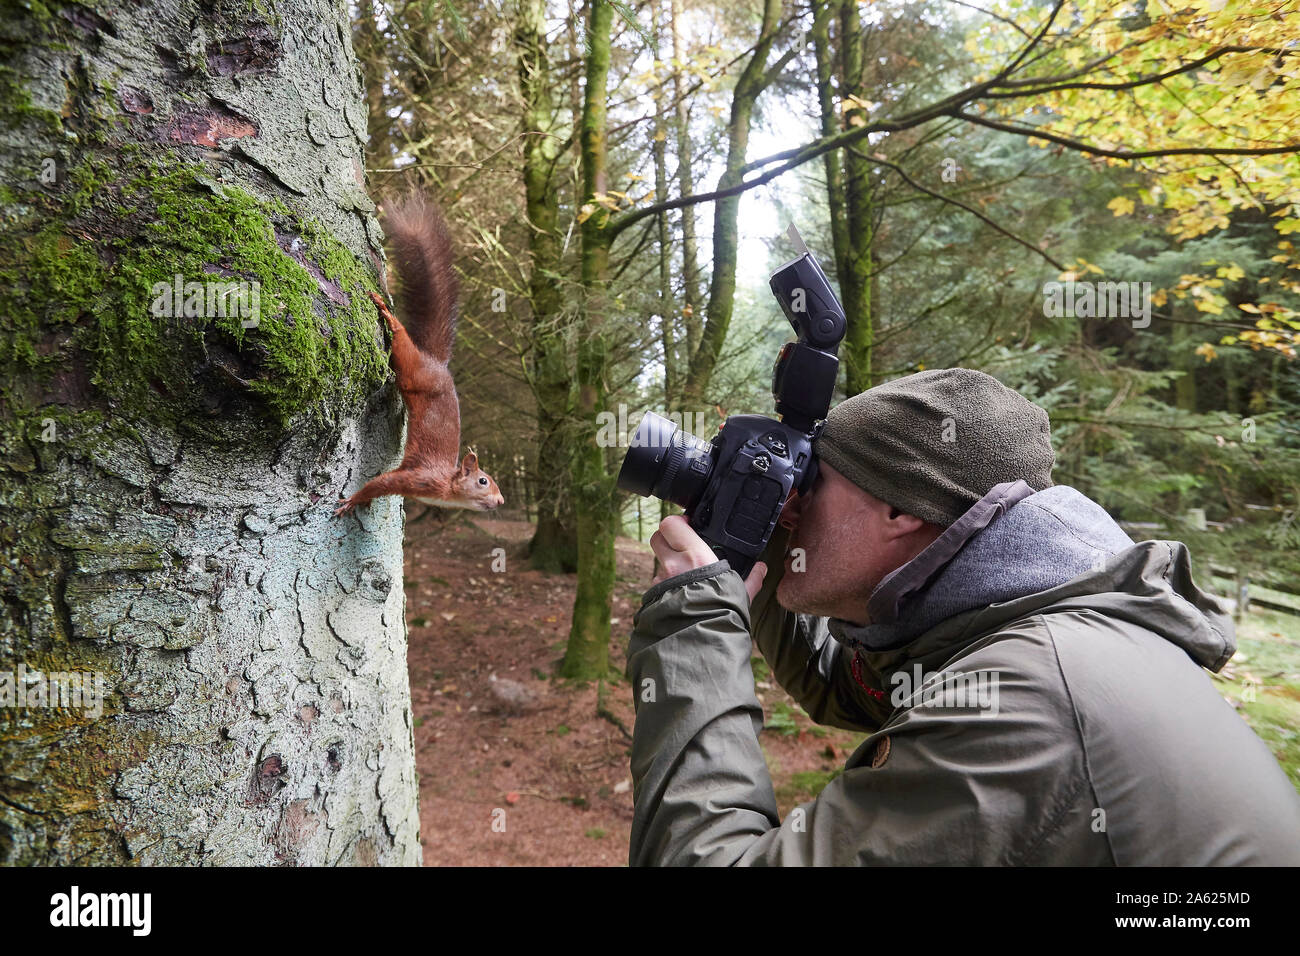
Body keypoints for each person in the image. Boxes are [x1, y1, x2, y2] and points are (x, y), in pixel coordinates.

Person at [625, 367, 1300, 865]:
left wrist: (693, 623)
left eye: (812, 483)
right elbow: (854, 688)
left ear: (904, 509)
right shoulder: (1022, 620)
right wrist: (759, 536)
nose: (792, 503)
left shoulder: (1031, 696)